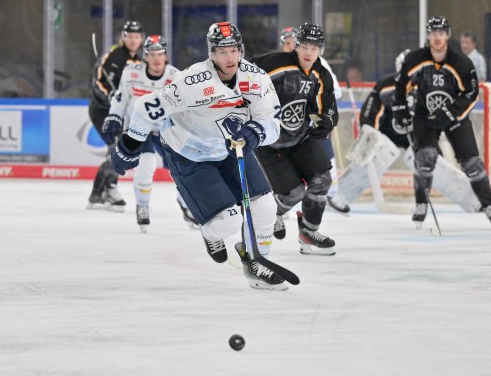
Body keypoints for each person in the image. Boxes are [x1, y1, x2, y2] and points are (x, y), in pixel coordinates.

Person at [109, 22, 287, 290]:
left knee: (266, 207)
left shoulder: (257, 78)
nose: (230, 58)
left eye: (234, 50)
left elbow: (274, 122)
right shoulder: (193, 82)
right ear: (211, 54)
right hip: (188, 153)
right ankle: (209, 233)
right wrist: (129, 145)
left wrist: (255, 133)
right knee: (229, 221)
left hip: (231, 147)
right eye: (223, 51)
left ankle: (256, 264)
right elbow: (144, 107)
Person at [338, 49, 482, 215]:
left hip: (416, 137)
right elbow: (370, 112)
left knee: (433, 162)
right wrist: (369, 131)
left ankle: (474, 200)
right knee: (375, 154)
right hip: (387, 136)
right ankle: (340, 196)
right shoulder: (387, 85)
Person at [393, 16, 491, 226]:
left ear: (448, 35)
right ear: (427, 35)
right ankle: (421, 204)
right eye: (433, 33)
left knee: (471, 163)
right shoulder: (414, 59)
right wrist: (401, 112)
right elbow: (401, 85)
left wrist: (451, 112)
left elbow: (471, 93)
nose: (437, 37)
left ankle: (488, 205)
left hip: (455, 118)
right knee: (425, 159)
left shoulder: (461, 62)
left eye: (441, 33)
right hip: (425, 116)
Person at [251, 23, 339, 256]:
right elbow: (240, 75)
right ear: (297, 46)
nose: (309, 52)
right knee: (294, 194)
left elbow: (327, 106)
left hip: (300, 137)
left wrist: (326, 121)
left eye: (315, 47)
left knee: (321, 181)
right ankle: (273, 214)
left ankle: (308, 234)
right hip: (270, 142)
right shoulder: (272, 63)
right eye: (305, 46)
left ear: (321, 49)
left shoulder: (321, 74)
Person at [102, 35, 198, 232]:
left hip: (166, 129)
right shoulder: (131, 72)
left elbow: (186, 108)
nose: (156, 58)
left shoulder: (176, 76)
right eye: (151, 54)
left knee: (180, 169)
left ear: (166, 55)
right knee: (146, 165)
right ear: (144, 56)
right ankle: (143, 205)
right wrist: (114, 117)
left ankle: (187, 205)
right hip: (139, 129)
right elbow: (120, 99)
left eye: (160, 53)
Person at [278, 27, 350, 214]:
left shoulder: (320, 63)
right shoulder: (276, 64)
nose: (291, 46)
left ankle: (332, 194)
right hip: (284, 120)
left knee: (327, 155)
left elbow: (335, 90)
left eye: (294, 42)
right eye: (288, 43)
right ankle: (279, 197)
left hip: (309, 119)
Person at [87, 20, 144, 212]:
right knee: (117, 150)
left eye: (137, 36)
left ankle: (102, 192)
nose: (133, 40)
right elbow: (99, 83)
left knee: (120, 151)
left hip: (120, 113)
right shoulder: (115, 57)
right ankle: (104, 191)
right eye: (130, 36)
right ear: (123, 38)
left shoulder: (139, 62)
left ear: (141, 39)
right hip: (102, 110)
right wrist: (110, 95)